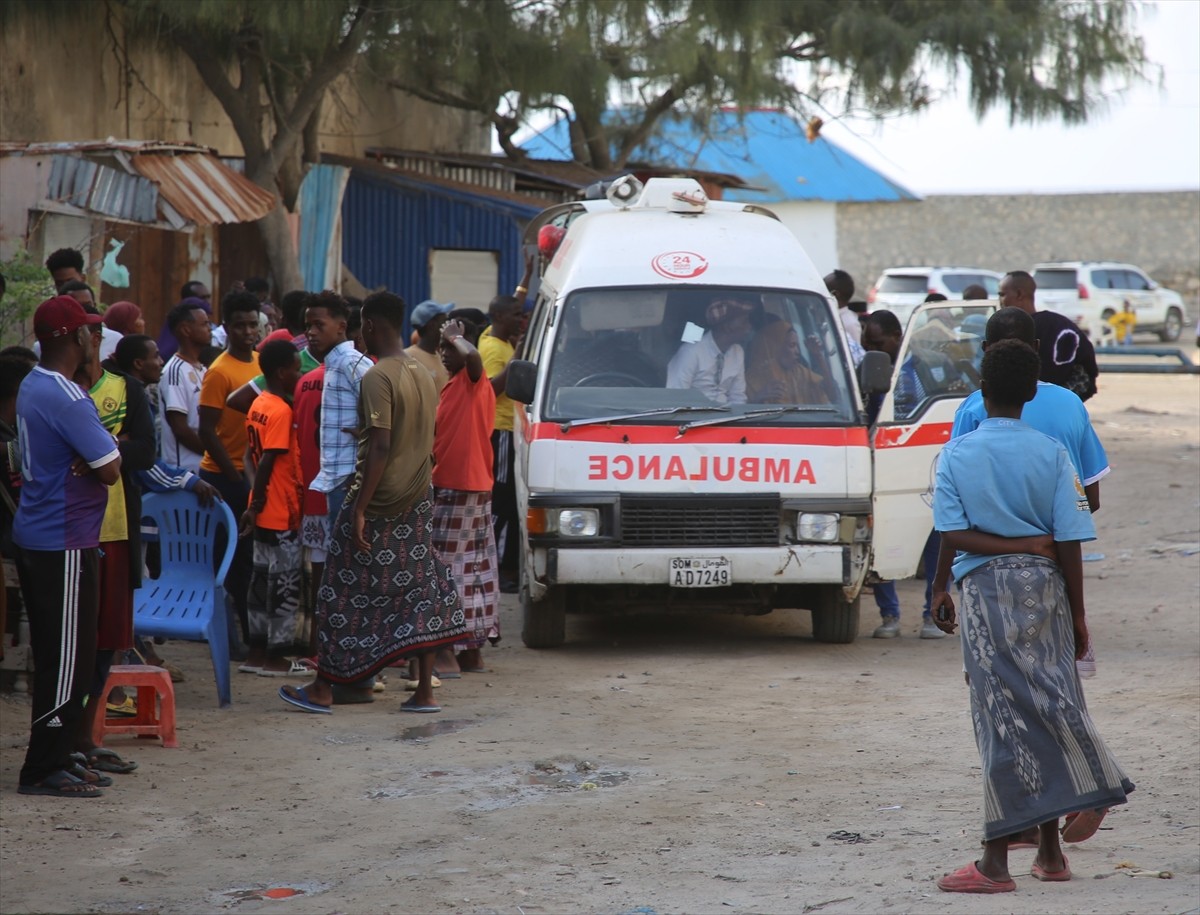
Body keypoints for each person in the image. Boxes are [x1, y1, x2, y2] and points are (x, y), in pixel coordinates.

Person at [930, 339, 1133, 894]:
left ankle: (995, 863)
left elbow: (952, 532)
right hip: (1048, 590)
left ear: (982, 390)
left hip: (986, 595)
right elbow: (1071, 536)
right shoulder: (1054, 454)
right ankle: (1049, 852)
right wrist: (1079, 614)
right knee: (1048, 701)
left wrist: (948, 582)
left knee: (1002, 716)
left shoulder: (955, 454)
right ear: (1030, 392)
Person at [279, 292, 466, 714]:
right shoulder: (424, 372)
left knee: (336, 592)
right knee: (418, 589)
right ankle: (420, 691)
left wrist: (360, 508)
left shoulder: (378, 376)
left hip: (380, 500)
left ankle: (324, 687)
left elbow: (380, 445)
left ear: (368, 325)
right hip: (417, 496)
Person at [14, 296, 121, 797]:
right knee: (66, 659)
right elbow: (111, 468)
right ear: (74, 337)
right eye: (88, 330)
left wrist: (93, 451)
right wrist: (99, 449)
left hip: (44, 534)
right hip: (63, 540)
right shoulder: (67, 396)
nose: (93, 338)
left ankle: (62, 754)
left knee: (60, 653)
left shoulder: (34, 383)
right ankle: (44, 767)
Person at [74, 318, 156, 762]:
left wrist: (97, 448)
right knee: (72, 638)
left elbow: (145, 451)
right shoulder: (56, 390)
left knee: (106, 638)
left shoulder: (127, 390)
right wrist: (112, 442)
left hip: (116, 528)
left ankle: (86, 737)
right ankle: (64, 738)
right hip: (68, 531)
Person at [861, 309, 946, 640]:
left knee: (934, 539)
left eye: (878, 344)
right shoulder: (868, 371)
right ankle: (889, 615)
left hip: (924, 464)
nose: (872, 351)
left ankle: (932, 615)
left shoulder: (927, 367)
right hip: (886, 465)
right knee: (884, 539)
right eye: (867, 345)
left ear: (898, 338)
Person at [431, 317, 499, 676]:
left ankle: (446, 649)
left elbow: (473, 358)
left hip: (460, 485)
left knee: (447, 568)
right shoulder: (454, 384)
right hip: (465, 484)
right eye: (441, 346)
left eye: (450, 346)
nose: (444, 353)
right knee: (473, 569)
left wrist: (456, 337)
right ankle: (471, 652)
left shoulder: (474, 378)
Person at [198, 292, 261, 653]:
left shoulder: (261, 363)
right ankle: (232, 641)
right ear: (227, 327)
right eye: (240, 325)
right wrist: (235, 479)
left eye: (253, 324)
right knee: (230, 561)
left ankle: (251, 636)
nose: (248, 331)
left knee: (250, 560)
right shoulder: (219, 371)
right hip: (225, 478)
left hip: (253, 475)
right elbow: (207, 430)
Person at [240, 339, 304, 677]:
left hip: (263, 508)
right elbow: (266, 460)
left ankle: (255, 654)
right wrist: (260, 500)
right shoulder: (281, 411)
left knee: (260, 582)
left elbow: (246, 458)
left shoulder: (258, 403)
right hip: (279, 510)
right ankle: (277, 658)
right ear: (281, 372)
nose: (299, 375)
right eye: (296, 369)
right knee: (284, 584)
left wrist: (254, 499)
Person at [311, 295, 373, 533]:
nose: (311, 332)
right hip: (338, 478)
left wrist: (367, 433)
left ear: (341, 327)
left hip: (350, 478)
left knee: (349, 551)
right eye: (308, 326)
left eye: (319, 325)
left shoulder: (351, 362)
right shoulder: (334, 363)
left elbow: (389, 406)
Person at [478, 292, 526, 594]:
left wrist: (526, 279)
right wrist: (516, 359)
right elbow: (492, 389)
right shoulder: (493, 349)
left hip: (510, 429)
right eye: (515, 315)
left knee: (508, 501)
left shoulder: (495, 336)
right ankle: (489, 566)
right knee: (502, 503)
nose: (520, 320)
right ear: (498, 317)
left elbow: (509, 303)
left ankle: (502, 567)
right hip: (501, 429)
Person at [999, 270, 1098, 401]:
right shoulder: (1062, 324)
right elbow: (1086, 377)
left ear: (1019, 294)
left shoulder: (1017, 332)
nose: (1000, 301)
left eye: (1002, 294)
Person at [666, 296, 751, 405]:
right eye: (744, 322)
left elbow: (738, 397)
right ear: (727, 327)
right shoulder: (691, 352)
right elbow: (675, 398)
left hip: (728, 414)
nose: (749, 327)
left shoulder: (737, 352)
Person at [160, 301, 213, 472]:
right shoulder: (174, 371)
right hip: (185, 470)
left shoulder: (203, 369)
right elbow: (180, 428)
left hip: (204, 467)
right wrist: (213, 453)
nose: (210, 329)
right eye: (204, 324)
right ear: (186, 330)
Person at [745, 316, 834, 404]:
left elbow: (832, 395)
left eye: (797, 346)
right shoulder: (752, 379)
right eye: (792, 345)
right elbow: (743, 409)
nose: (797, 352)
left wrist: (819, 356)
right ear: (775, 347)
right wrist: (758, 398)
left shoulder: (801, 373)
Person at [57, 282, 121, 361]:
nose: (82, 311)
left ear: (94, 305)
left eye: (87, 305)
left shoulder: (115, 340)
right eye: (75, 306)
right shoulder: (52, 345)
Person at [404, 299, 454, 392]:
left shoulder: (441, 357)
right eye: (444, 321)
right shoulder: (408, 358)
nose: (447, 326)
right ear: (432, 325)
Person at [824, 269, 862, 345]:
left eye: (825, 290)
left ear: (835, 294)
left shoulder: (850, 323)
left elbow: (854, 350)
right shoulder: (828, 317)